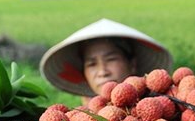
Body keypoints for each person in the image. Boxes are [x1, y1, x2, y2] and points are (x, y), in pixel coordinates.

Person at [40, 18, 173, 97]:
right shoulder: (81, 118)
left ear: (132, 64)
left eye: (111, 59)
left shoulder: (162, 104)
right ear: (84, 73)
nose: (103, 72)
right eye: (92, 64)